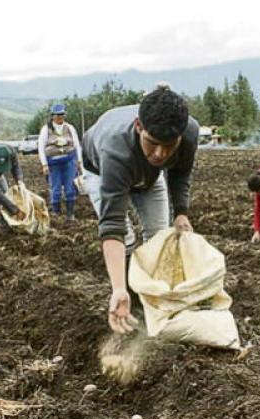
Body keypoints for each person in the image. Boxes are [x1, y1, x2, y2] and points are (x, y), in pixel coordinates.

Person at [82, 84, 199, 334]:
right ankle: (129, 298)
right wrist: (118, 289)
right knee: (127, 236)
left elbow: (180, 174)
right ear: (139, 127)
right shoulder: (115, 149)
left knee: (159, 235)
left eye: (169, 146)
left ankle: (153, 299)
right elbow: (111, 225)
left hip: (148, 175)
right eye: (153, 143)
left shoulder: (189, 132)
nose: (160, 153)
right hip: (100, 171)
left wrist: (181, 212)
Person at [38, 103, 83, 221]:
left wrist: (79, 161)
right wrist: (44, 164)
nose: (60, 117)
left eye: (62, 115)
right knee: (56, 188)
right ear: (52, 116)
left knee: (70, 187)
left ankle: (70, 213)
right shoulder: (46, 129)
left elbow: (77, 145)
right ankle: (56, 213)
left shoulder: (70, 128)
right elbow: (41, 148)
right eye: (57, 115)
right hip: (53, 164)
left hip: (69, 162)